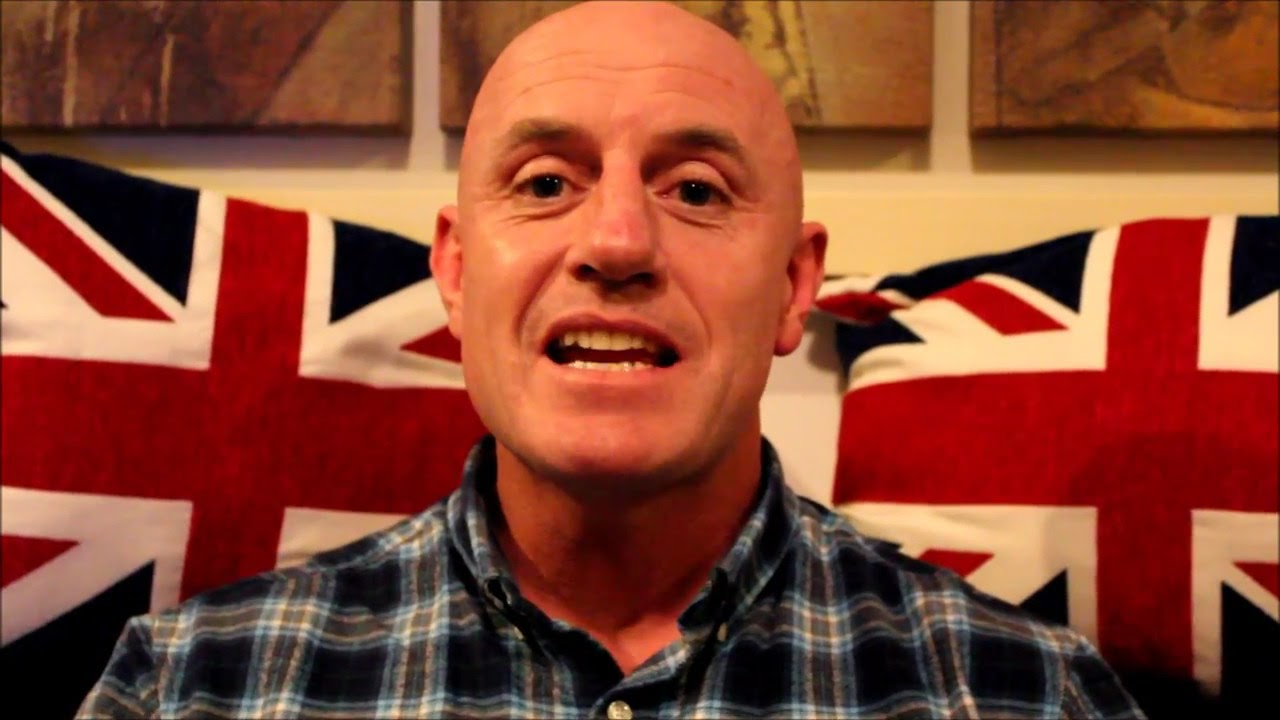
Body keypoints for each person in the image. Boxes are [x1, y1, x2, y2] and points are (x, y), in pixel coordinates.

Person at [77, 2, 1147, 717]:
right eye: (546, 183)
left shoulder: (1024, 693)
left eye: (696, 191)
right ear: (458, 275)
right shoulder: (193, 686)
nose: (618, 242)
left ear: (792, 287)